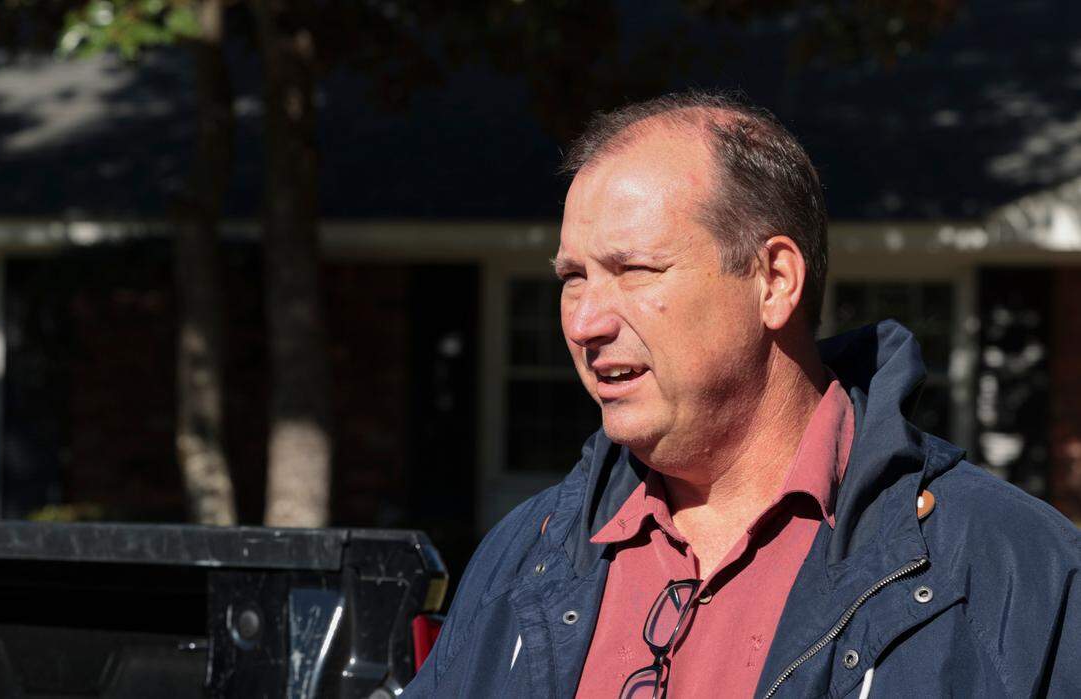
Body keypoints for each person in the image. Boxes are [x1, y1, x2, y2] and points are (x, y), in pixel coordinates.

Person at [404, 91, 1081, 698]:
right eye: (573, 277)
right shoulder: (523, 555)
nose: (584, 321)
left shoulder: (1012, 569)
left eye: (633, 269)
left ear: (775, 280)